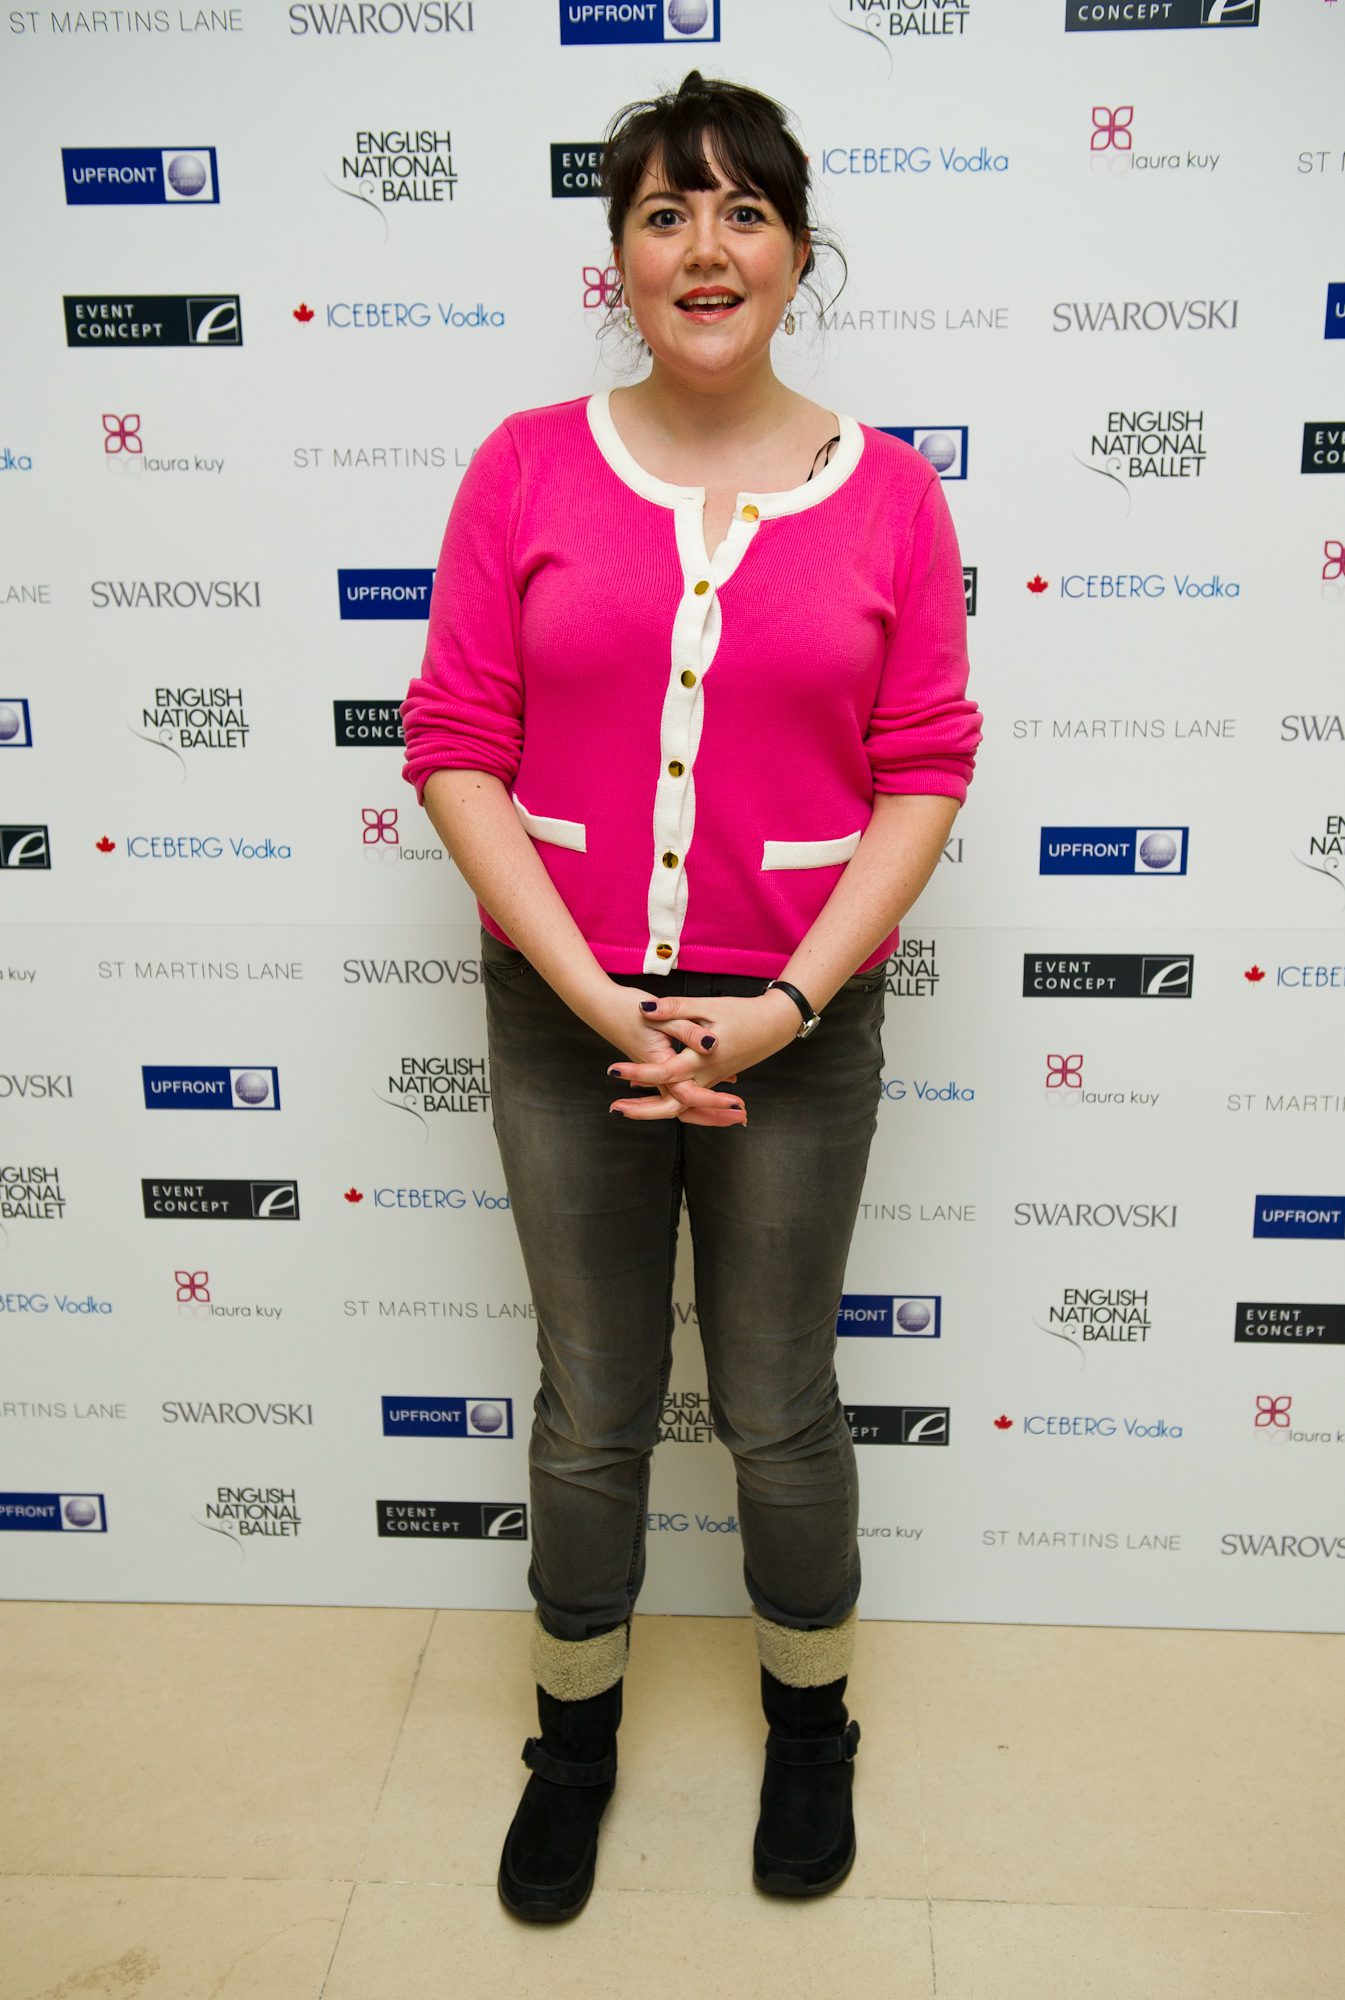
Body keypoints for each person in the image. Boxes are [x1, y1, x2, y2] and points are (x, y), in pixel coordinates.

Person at [400, 70, 981, 1924]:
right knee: (590, 1400)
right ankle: (571, 1743)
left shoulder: (893, 496)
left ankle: (810, 1726)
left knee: (777, 1400)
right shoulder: (522, 467)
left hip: (795, 1024)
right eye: (664, 213)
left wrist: (785, 1005)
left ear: (798, 253)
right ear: (619, 259)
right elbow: (456, 742)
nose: (703, 247)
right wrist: (593, 996)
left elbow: (924, 768)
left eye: (742, 211)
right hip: (562, 1010)